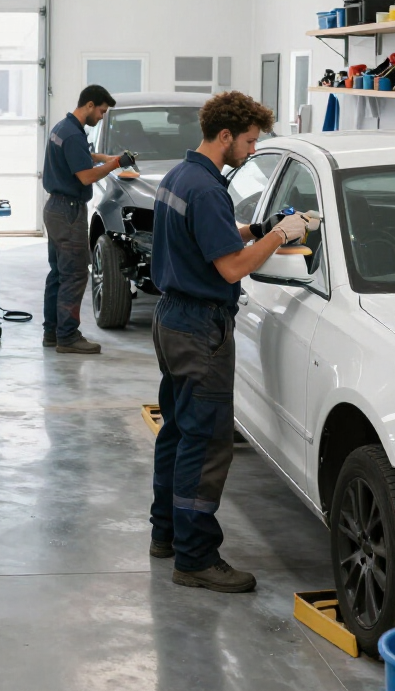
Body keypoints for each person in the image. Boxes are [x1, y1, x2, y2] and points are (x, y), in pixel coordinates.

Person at [148, 90, 311, 594]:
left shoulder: (182, 177)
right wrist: (281, 235)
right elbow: (233, 265)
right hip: (201, 329)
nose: (250, 149)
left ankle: (167, 535)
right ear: (225, 136)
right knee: (208, 442)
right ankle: (196, 559)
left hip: (171, 319)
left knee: (177, 431)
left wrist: (257, 227)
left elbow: (211, 234)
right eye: (248, 141)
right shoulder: (208, 188)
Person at [42, 84, 130, 354]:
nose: (102, 116)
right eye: (102, 111)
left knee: (58, 273)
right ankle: (68, 337)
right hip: (68, 211)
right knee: (76, 274)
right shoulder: (72, 134)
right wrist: (116, 164)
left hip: (55, 208)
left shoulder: (63, 128)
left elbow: (80, 157)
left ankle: (53, 332)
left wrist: (104, 158)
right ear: (90, 105)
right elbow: (85, 176)